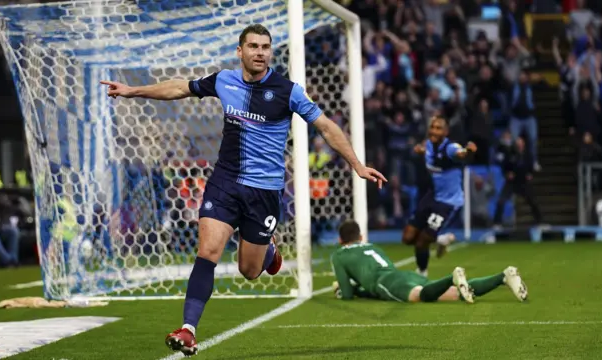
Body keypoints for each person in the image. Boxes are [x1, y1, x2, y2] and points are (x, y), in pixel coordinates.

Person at [100, 24, 387, 356]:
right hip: (225, 182)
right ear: (241, 51)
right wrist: (132, 91)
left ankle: (267, 251)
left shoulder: (288, 90)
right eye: (253, 46)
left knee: (249, 271)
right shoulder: (223, 80)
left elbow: (325, 125)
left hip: (264, 192)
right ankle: (189, 329)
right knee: (207, 251)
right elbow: (180, 88)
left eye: (265, 47)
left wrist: (357, 164)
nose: (260, 52)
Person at [332, 220, 528, 304]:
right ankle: (503, 276)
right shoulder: (371, 246)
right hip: (404, 275)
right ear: (361, 236)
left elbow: (348, 295)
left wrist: (351, 290)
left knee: (423, 297)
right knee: (455, 294)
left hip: (386, 283)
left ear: (340, 240)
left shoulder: (339, 255)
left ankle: (451, 278)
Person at [401, 116, 477, 277]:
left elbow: (460, 153)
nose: (434, 131)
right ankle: (440, 239)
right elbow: (428, 153)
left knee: (422, 241)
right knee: (407, 238)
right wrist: (421, 151)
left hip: (448, 202)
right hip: (432, 196)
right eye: (432, 127)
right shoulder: (428, 144)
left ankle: (422, 273)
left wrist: (468, 151)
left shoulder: (450, 148)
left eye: (438, 128)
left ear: (446, 132)